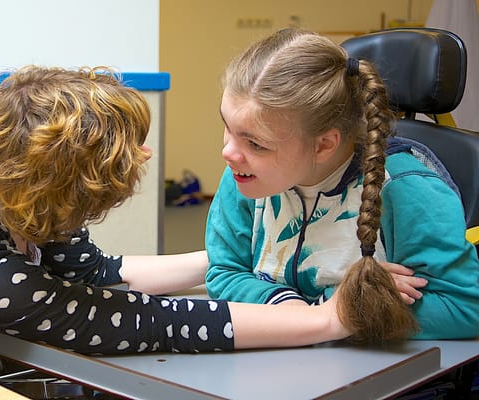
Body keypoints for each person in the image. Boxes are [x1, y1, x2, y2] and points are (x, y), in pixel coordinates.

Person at [0, 65, 350, 381]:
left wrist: (242, 259)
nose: (145, 155)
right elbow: (148, 322)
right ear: (59, 192)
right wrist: (326, 319)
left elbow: (95, 274)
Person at [205, 28, 479, 343]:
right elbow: (224, 272)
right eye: (228, 127)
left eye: (255, 143)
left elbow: (465, 308)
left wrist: (355, 307)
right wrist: (307, 314)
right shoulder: (245, 175)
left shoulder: (405, 189)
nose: (228, 152)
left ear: (323, 146)